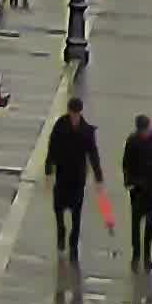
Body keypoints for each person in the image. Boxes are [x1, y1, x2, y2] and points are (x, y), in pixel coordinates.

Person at [45, 97, 102, 261]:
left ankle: (73, 243)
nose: (75, 116)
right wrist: (49, 168)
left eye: (77, 113)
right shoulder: (60, 126)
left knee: (76, 213)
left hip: (77, 176)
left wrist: (98, 175)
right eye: (73, 113)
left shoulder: (86, 131)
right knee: (58, 208)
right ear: (69, 111)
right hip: (63, 173)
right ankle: (61, 230)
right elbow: (52, 147)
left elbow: (93, 153)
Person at [119, 114, 152, 275]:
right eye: (141, 131)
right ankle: (136, 253)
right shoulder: (132, 141)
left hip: (151, 190)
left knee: (149, 224)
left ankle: (147, 255)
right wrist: (129, 182)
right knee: (135, 222)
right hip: (137, 188)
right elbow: (126, 163)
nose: (143, 133)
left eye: (145, 130)